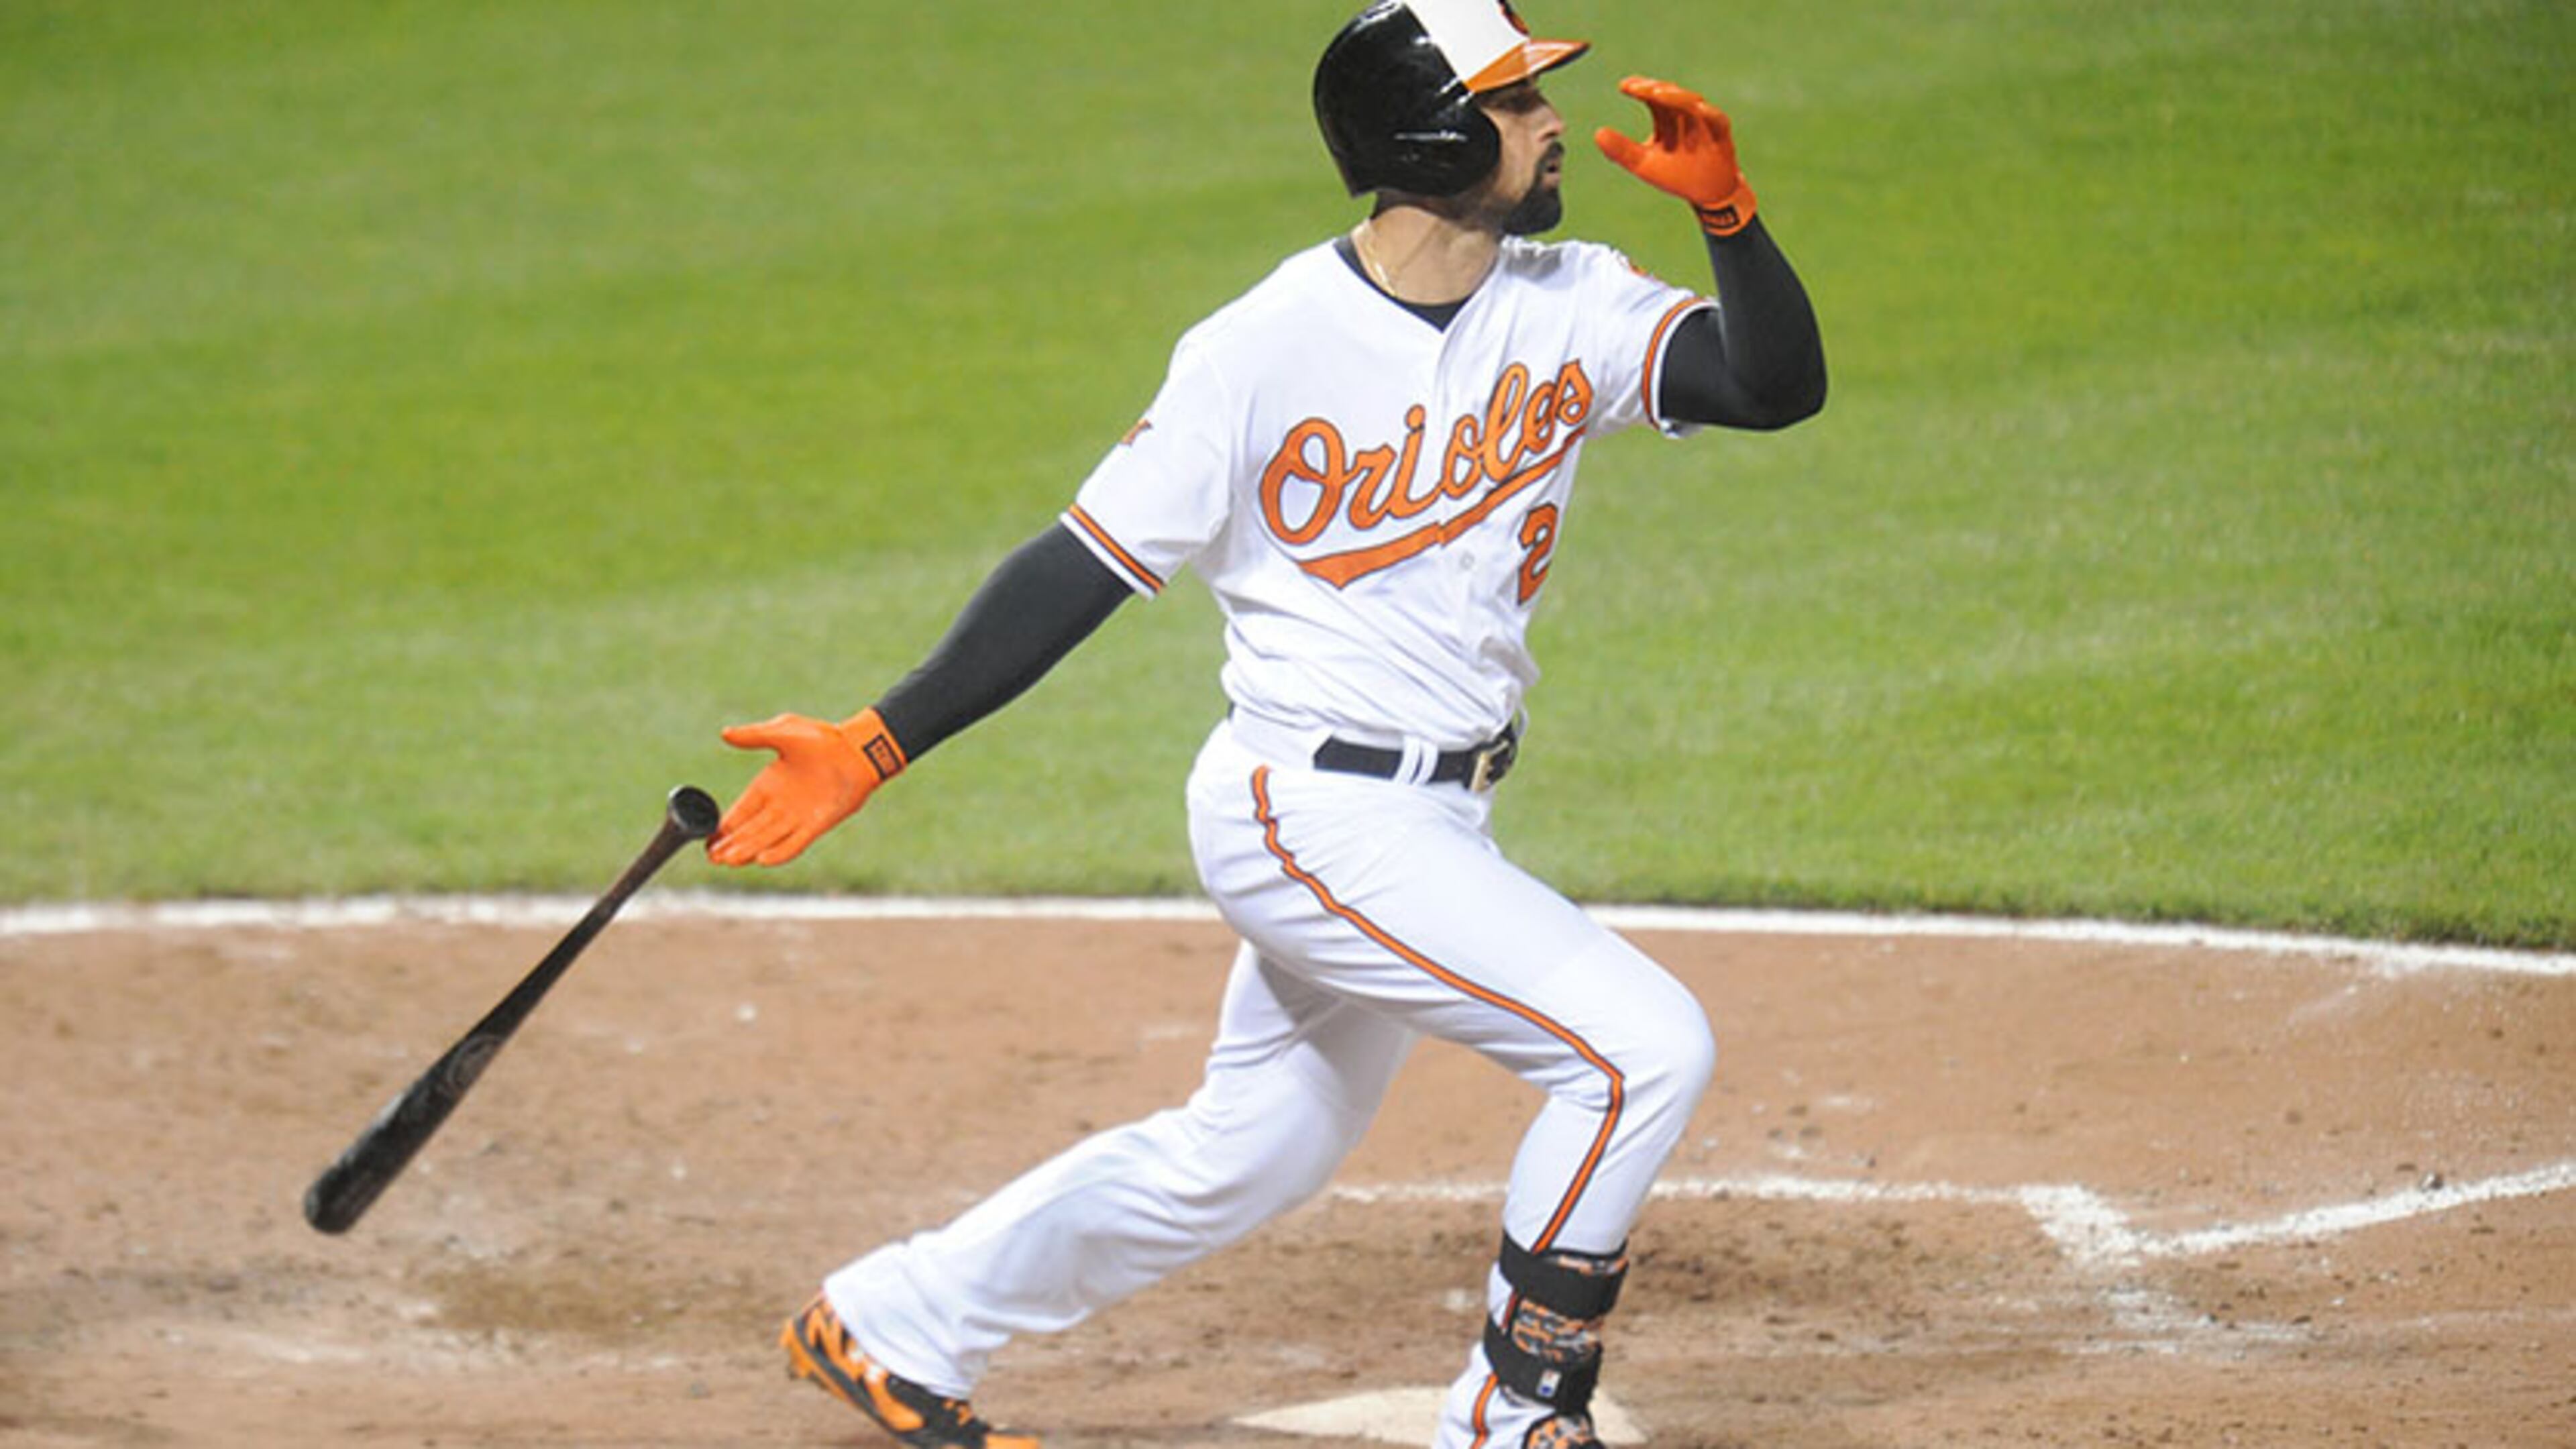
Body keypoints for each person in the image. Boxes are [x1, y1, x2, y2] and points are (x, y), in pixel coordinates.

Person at [708, 2, 1825, 1444]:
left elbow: (1770, 387)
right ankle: (1513, 1409)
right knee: (1641, 1048)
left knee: (1250, 1154)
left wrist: (1731, 216)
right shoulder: (1263, 347)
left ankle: (893, 1320)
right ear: (1428, 136)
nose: (1553, 124)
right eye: (1517, 102)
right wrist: (879, 739)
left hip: (1432, 815)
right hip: (1307, 815)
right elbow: (1079, 567)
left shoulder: (1574, 300)